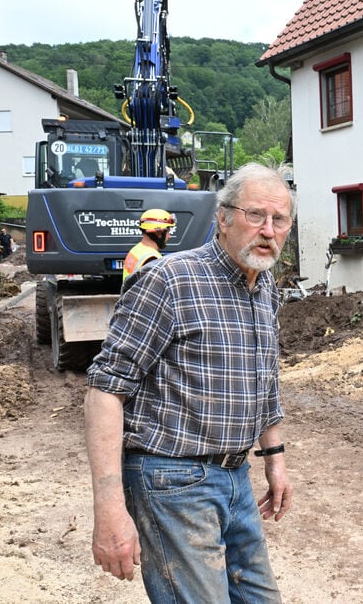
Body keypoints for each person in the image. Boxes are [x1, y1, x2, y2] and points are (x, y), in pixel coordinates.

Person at [85, 162, 296, 603]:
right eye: (255, 215)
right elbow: (106, 389)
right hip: (171, 480)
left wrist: (274, 458)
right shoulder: (169, 280)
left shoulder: (265, 287)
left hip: (234, 475)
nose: (268, 230)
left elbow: (264, 380)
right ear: (222, 217)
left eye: (280, 219)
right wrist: (108, 508)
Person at [121, 209, 175, 284]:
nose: (169, 236)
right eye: (168, 231)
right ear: (158, 232)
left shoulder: (137, 249)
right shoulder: (151, 259)